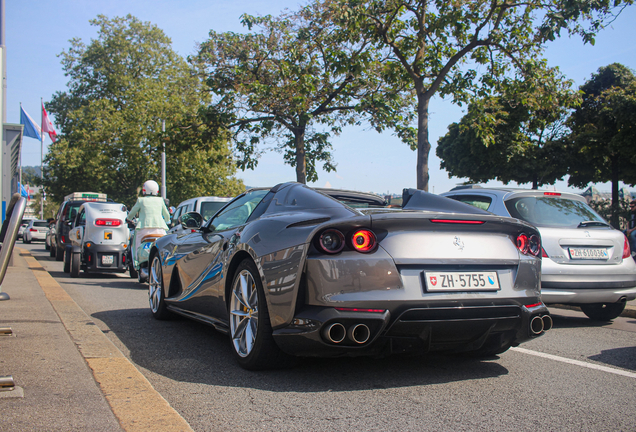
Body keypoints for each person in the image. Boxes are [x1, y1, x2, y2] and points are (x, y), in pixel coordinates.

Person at [126, 180, 170, 265]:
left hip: (143, 229)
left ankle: (137, 263)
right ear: (157, 191)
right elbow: (167, 215)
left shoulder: (141, 200)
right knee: (164, 245)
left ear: (144, 190)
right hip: (159, 229)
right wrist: (167, 221)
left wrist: (128, 219)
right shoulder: (160, 200)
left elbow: (131, 213)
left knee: (137, 245)